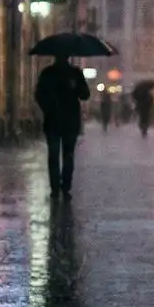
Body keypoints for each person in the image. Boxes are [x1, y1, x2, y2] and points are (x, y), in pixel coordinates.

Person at [34, 54, 90, 199]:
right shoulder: (52, 73)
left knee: (62, 155)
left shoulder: (70, 73)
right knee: (62, 155)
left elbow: (84, 94)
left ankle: (62, 186)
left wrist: (76, 87)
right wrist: (50, 106)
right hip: (59, 120)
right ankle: (59, 186)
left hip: (62, 121)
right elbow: (85, 94)